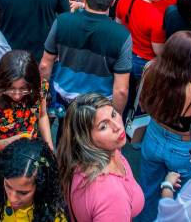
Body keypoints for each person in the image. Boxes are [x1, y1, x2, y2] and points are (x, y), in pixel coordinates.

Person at [137, 31, 191, 221]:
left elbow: (143, 103)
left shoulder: (151, 70)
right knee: (180, 201)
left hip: (153, 136)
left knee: (148, 191)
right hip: (182, 149)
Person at [40, 0, 131, 114]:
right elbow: (121, 90)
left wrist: (44, 97)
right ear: (112, 1)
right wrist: (114, 117)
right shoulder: (122, 35)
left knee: (63, 133)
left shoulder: (62, 21)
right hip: (99, 104)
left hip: (64, 96)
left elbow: (45, 65)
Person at [57, 93, 144, 221]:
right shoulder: (112, 197)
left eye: (114, 114)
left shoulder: (82, 157)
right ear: (85, 139)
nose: (117, 126)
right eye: (103, 126)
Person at [116, 0, 176, 112]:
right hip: (142, 64)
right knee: (140, 102)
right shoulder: (156, 18)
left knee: (125, 95)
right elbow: (158, 50)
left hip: (123, 56)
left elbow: (117, 25)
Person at [0, 50, 53, 152]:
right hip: (4, 157)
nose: (17, 96)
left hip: (30, 150)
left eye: (23, 89)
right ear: (2, 84)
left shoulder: (39, 88)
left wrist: (50, 148)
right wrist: (13, 141)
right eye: (11, 88)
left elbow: (42, 115)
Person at [0, 137, 66, 222]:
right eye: (8, 186)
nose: (12, 199)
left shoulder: (55, 216)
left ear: (40, 187)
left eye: (23, 193)